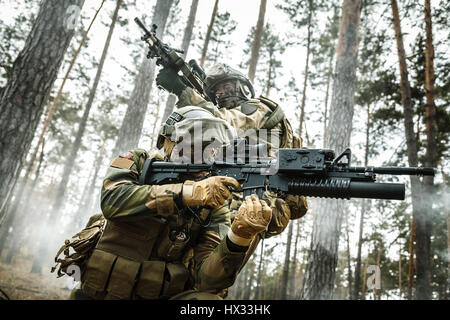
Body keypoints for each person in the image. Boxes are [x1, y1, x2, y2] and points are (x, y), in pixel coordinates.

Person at [53, 106, 274, 300]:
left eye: (211, 149)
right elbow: (113, 200)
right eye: (192, 147)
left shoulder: (214, 203)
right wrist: (188, 193)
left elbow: (207, 281)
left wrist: (239, 237)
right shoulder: (138, 162)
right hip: (98, 294)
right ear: (167, 143)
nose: (202, 157)